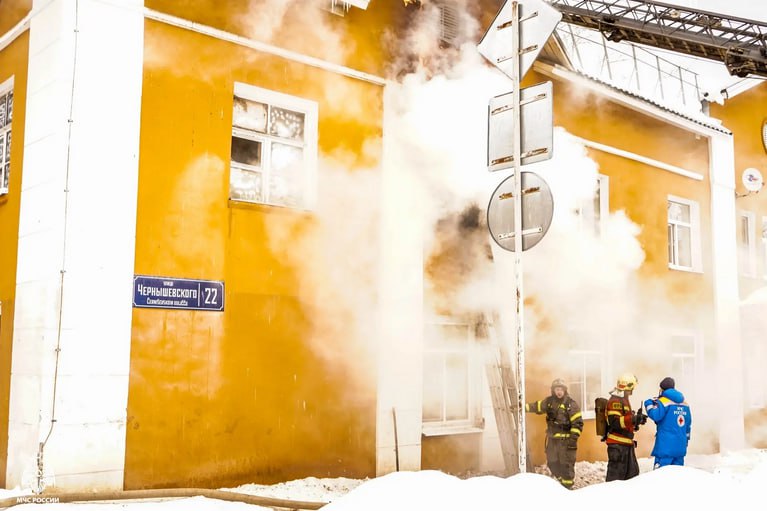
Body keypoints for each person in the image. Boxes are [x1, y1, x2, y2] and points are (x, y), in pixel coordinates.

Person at [525, 378, 583, 489]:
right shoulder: (549, 402)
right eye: (557, 389)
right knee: (552, 463)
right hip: (553, 441)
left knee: (566, 466)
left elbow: (578, 423)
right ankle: (561, 485)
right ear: (553, 390)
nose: (559, 392)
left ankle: (567, 488)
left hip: (566, 442)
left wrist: (572, 440)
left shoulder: (571, 404)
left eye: (561, 389)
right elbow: (537, 406)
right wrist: (522, 407)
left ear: (565, 390)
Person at [604, 372, 646, 482]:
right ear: (627, 387)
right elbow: (615, 422)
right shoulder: (615, 401)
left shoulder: (623, 400)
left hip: (626, 444)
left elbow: (625, 420)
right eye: (631, 389)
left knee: (632, 476)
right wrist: (633, 419)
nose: (632, 391)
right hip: (618, 446)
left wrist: (636, 422)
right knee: (616, 479)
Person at [643, 377, 692, 468]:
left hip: (665, 448)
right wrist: (686, 441)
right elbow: (688, 426)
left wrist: (648, 404)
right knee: (677, 474)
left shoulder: (663, 402)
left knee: (661, 474)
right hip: (680, 448)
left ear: (662, 389)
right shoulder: (685, 404)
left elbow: (655, 415)